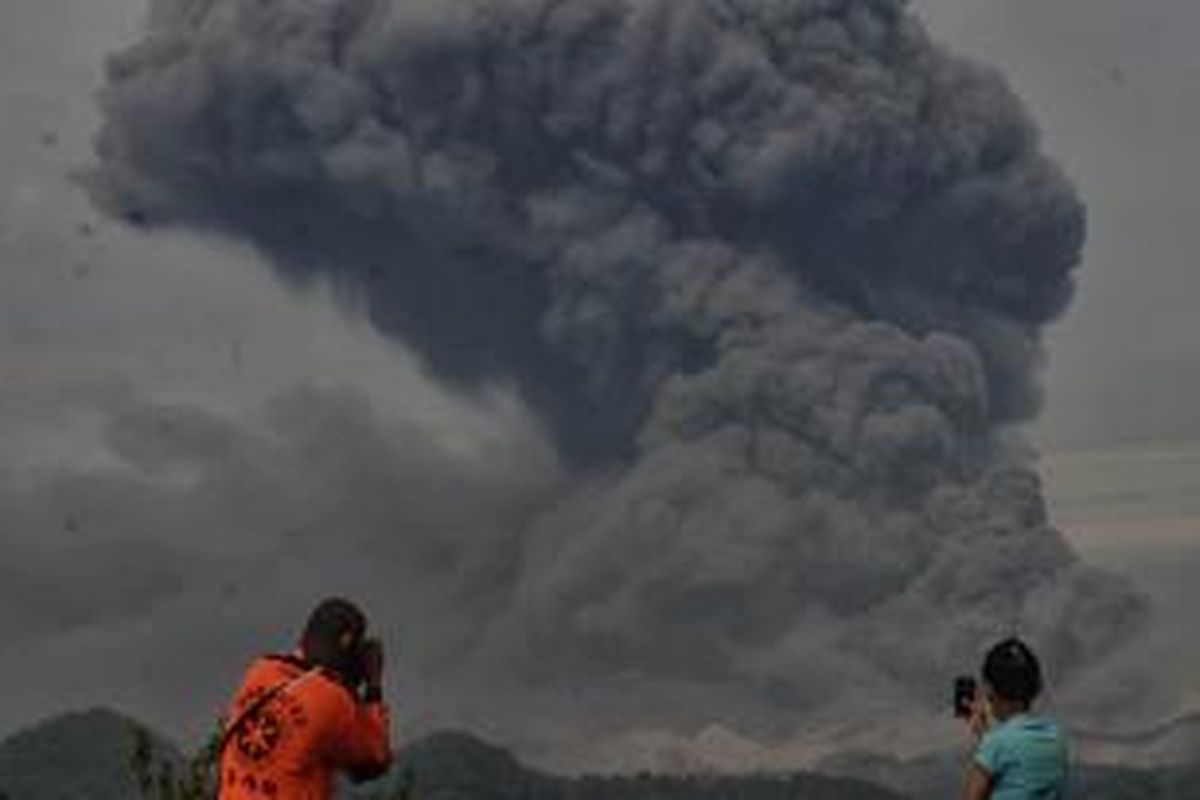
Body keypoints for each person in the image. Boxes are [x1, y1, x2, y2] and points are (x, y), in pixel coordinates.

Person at [217, 598, 393, 799]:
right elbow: (372, 762)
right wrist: (373, 687)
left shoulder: (259, 670)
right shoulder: (333, 699)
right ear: (346, 642)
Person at [960, 637, 1068, 800]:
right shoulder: (1056, 738)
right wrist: (985, 736)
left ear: (991, 690)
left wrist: (983, 744)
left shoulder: (995, 745)